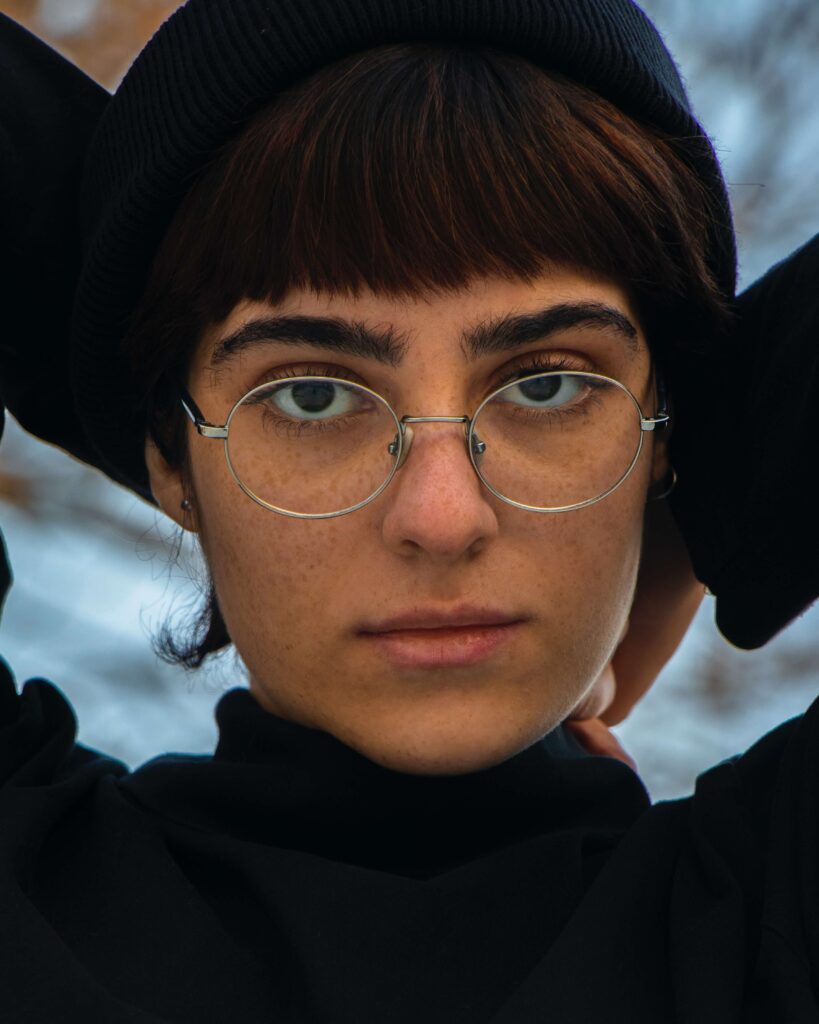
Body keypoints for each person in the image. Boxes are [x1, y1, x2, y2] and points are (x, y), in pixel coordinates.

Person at [2, 1, 819, 1021]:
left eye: (550, 384)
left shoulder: (773, 927)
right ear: (172, 456)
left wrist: (712, 489)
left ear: (660, 428)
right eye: (310, 394)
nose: (442, 515)